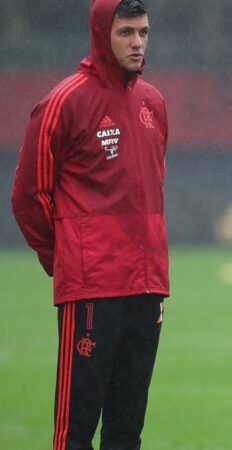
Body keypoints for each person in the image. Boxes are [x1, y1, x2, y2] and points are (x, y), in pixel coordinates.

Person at [11, 0, 169, 448]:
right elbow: (28, 196)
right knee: (75, 432)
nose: (138, 42)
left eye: (143, 32)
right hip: (92, 289)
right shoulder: (64, 103)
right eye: (126, 33)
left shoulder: (153, 103)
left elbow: (152, 188)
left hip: (148, 287)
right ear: (102, 34)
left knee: (127, 432)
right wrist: (66, 259)